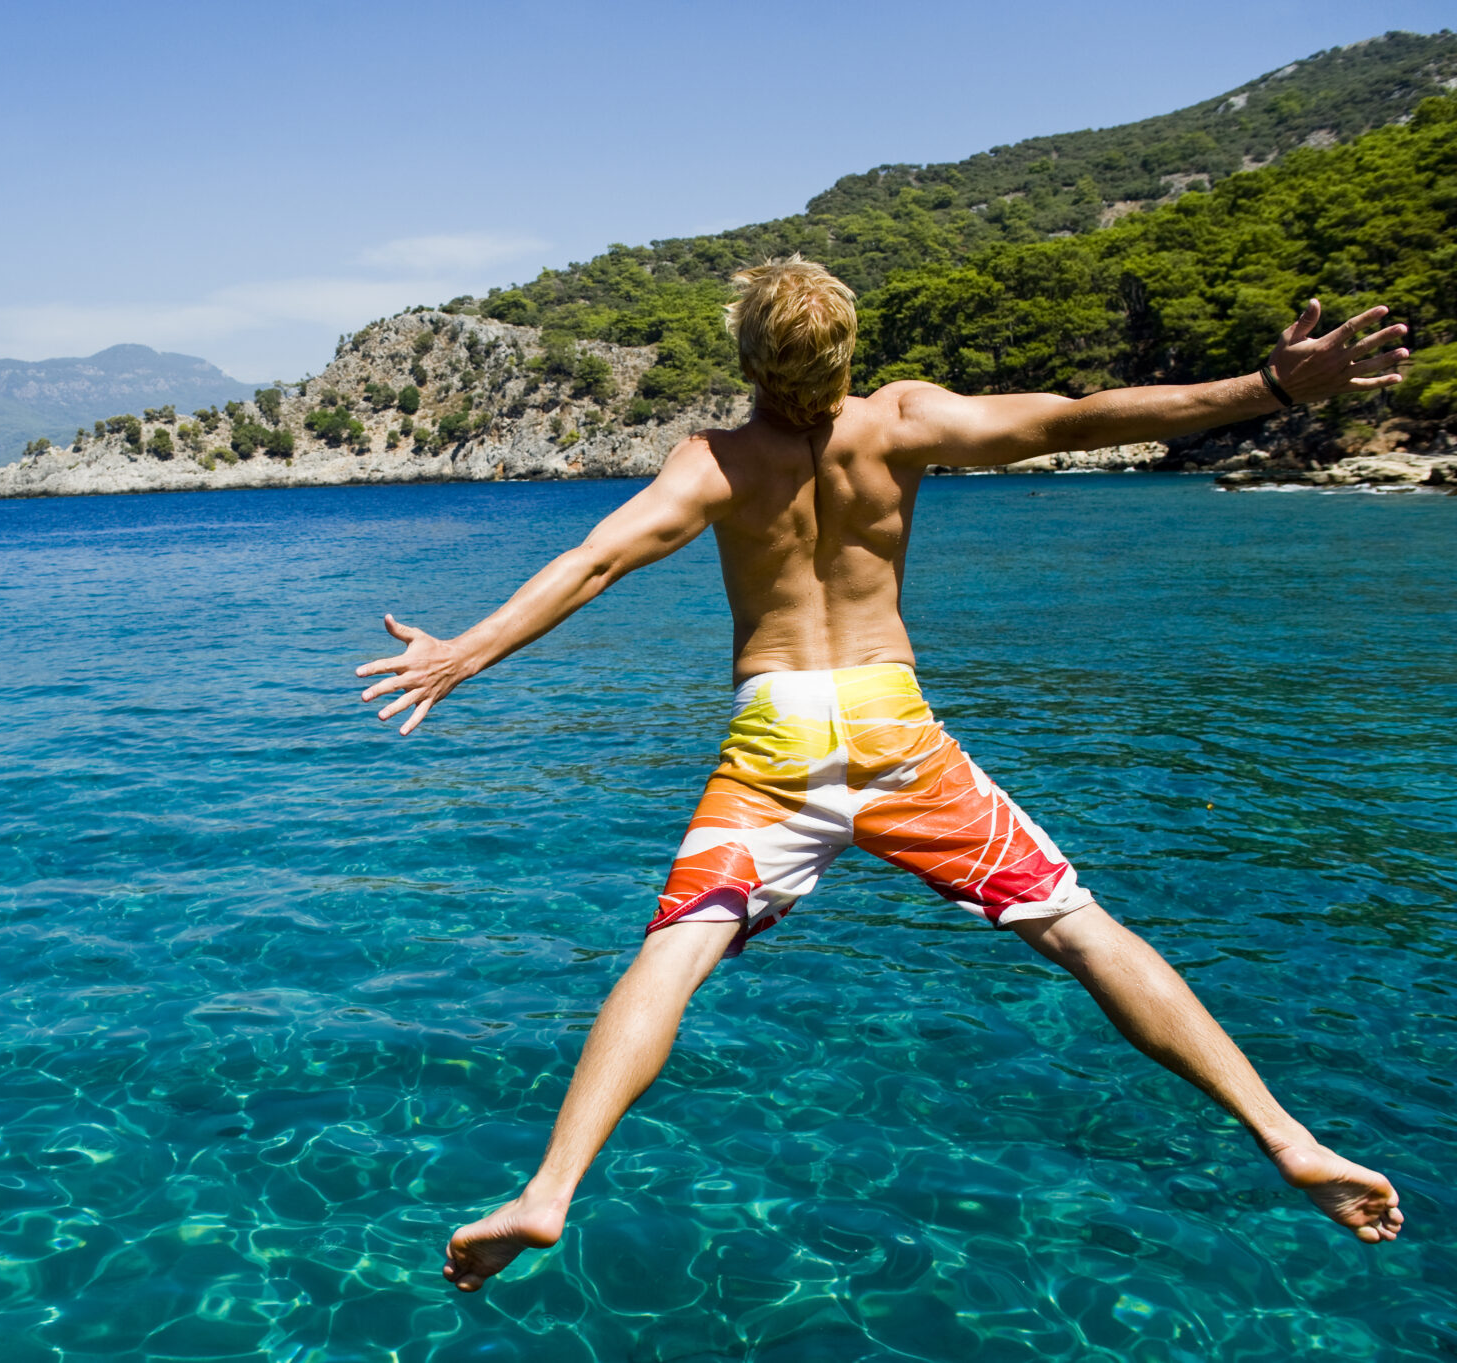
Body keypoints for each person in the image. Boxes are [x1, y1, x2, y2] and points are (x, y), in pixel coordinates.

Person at [353, 257, 1411, 1292]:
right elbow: (1089, 416)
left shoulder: (711, 460)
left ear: (747, 356)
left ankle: (547, 1189)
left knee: (673, 954)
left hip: (775, 735)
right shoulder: (902, 422)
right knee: (1078, 928)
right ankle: (1283, 1138)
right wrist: (1266, 386)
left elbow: (593, 560)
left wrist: (464, 652)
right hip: (890, 723)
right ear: (845, 349)